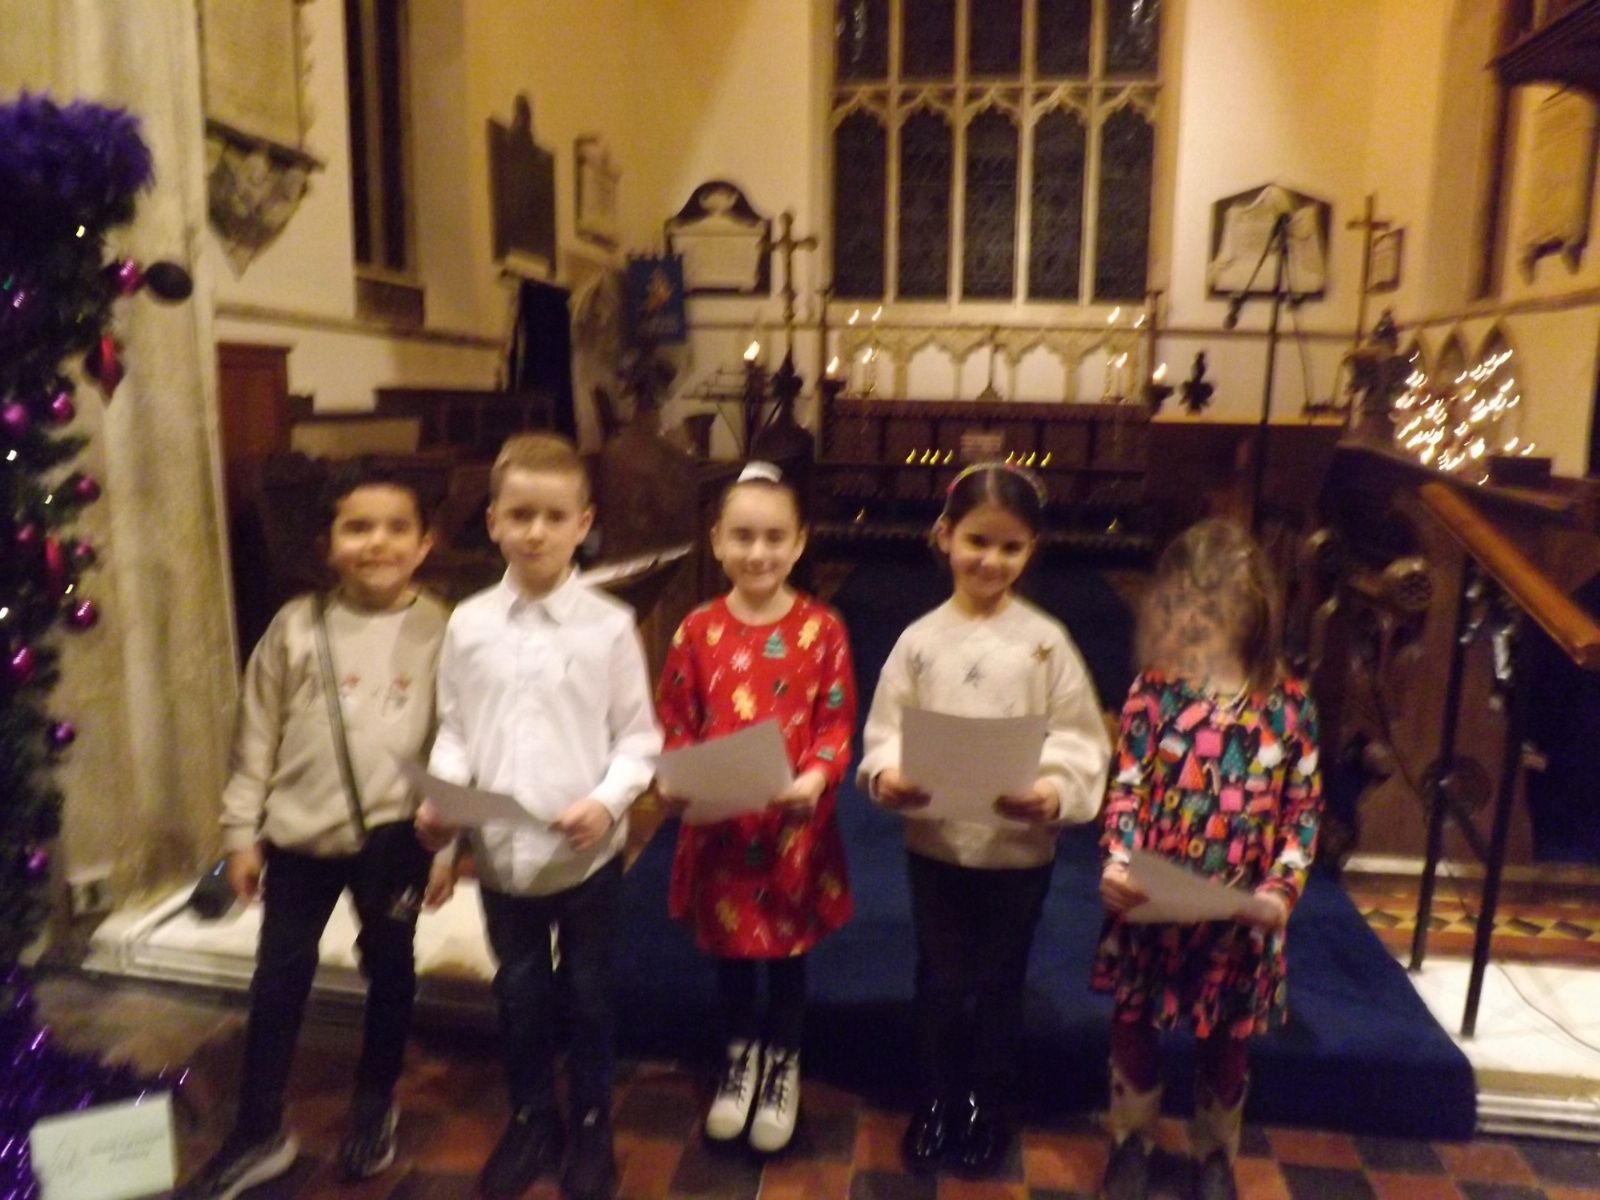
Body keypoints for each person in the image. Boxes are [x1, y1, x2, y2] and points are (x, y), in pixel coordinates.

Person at [176, 459, 451, 1200]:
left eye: (396, 528)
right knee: (279, 977)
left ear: (424, 542)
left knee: (390, 967)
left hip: (396, 838)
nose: (376, 543)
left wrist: (449, 845)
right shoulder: (295, 627)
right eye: (357, 528)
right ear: (327, 543)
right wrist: (241, 832)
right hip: (299, 839)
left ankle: (375, 1099)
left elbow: (456, 744)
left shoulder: (441, 630)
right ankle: (259, 1127)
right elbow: (254, 737)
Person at [417, 432, 661, 1200]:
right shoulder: (467, 624)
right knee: (519, 994)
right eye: (520, 515)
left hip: (585, 858)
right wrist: (443, 808)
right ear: (492, 521)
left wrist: (607, 801)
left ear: (584, 524)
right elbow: (456, 731)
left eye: (554, 517)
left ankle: (589, 1121)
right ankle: (530, 1117)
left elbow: (638, 739)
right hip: (501, 859)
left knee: (588, 994)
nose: (536, 532)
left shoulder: (609, 626)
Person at [858, 462, 1110, 1177]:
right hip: (937, 843)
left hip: (1016, 850)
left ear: (1032, 550)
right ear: (945, 535)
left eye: (1010, 547)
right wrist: (889, 774)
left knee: (1000, 980)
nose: (991, 560)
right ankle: (936, 1101)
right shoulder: (919, 641)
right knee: (940, 978)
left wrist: (1054, 790)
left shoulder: (1046, 642)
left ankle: (987, 1106)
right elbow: (885, 730)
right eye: (977, 540)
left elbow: (1081, 736)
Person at [1091, 519, 1322, 1200]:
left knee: (1227, 1040)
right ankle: (1131, 1140)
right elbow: (1127, 788)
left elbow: (1302, 812)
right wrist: (1116, 862)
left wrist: (1280, 890)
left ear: (1258, 608)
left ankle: (1215, 1153)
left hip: (1240, 917)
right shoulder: (1153, 692)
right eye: (1190, 602)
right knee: (1135, 1023)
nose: (1203, 618)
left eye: (1221, 603)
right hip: (1154, 902)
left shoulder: (1289, 704)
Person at [654, 461, 857, 1154]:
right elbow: (675, 719)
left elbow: (836, 723)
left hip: (792, 825)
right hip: (722, 824)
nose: (758, 552)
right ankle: (739, 1060)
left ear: (799, 542)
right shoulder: (697, 629)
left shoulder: (822, 628)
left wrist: (817, 777)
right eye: (743, 536)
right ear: (717, 540)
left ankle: (784, 1063)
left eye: (775, 537)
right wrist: (675, 776)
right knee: (733, 955)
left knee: (788, 954)